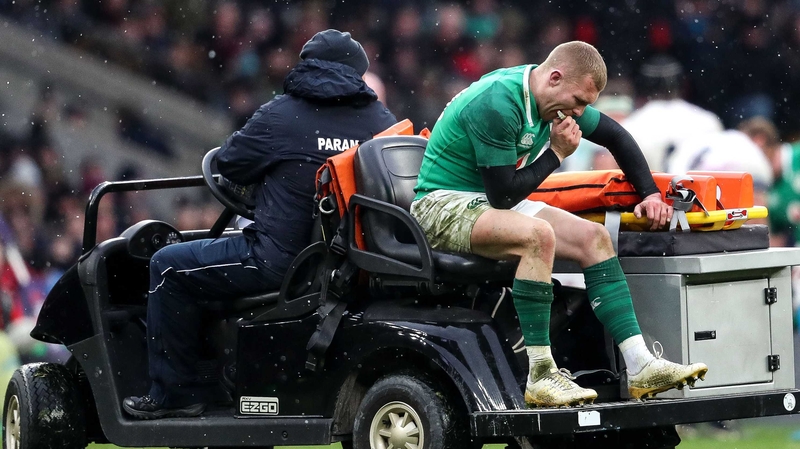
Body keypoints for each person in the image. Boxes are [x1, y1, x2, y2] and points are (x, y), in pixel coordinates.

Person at [411, 41, 708, 407]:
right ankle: (541, 375)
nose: (580, 112)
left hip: (484, 201)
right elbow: (504, 195)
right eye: (579, 101)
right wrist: (556, 154)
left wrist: (649, 193)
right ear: (554, 78)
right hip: (440, 204)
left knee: (594, 237)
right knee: (538, 236)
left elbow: (617, 136)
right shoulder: (497, 103)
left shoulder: (554, 99)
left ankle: (640, 364)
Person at [122, 29, 397, 420]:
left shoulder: (281, 113)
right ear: (358, 72)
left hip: (276, 264)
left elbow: (229, 162)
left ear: (306, 64)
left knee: (167, 266)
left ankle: (176, 394)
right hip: (346, 270)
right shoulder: (382, 122)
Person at [622, 55, 723, 172]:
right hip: (699, 188)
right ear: (684, 84)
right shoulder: (708, 121)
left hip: (652, 188)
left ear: (642, 86)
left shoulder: (630, 126)